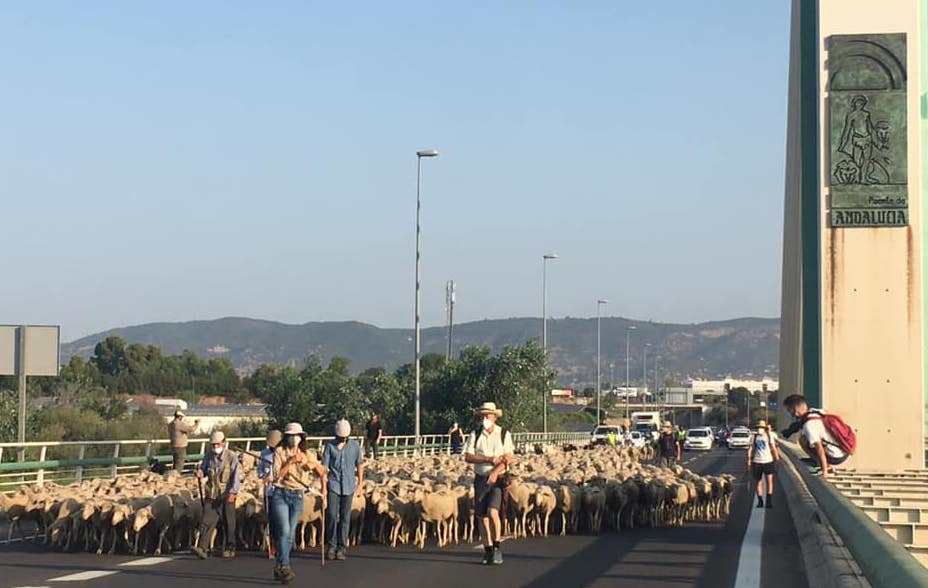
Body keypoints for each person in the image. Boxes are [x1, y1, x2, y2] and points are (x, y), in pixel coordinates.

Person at [270, 422, 326, 584]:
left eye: (297, 436)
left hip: (298, 495)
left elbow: (322, 472)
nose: (294, 439)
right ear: (286, 437)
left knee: (290, 533)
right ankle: (285, 565)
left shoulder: (307, 453)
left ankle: (279, 565)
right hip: (281, 493)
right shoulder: (280, 452)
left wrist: (312, 465)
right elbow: (276, 476)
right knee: (284, 531)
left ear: (301, 437)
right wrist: (291, 461)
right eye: (290, 436)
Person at [463, 402, 515, 566]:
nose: (485, 417)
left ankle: (497, 546)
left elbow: (508, 458)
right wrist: (488, 459)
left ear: (495, 416)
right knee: (481, 516)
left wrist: (494, 472)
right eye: (483, 415)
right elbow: (468, 456)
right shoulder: (475, 434)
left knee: (493, 512)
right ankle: (488, 549)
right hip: (480, 478)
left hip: (498, 479)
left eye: (488, 415)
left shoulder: (503, 434)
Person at [193, 430, 240, 560]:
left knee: (228, 521)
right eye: (213, 445)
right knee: (206, 520)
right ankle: (203, 547)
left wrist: (233, 492)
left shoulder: (231, 456)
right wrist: (200, 473)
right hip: (212, 493)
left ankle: (229, 547)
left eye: (217, 444)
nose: (215, 447)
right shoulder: (208, 455)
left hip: (226, 493)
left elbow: (236, 476)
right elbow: (203, 469)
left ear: (224, 443)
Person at [323, 419, 364, 561]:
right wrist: (323, 487)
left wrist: (360, 484)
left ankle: (342, 548)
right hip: (333, 484)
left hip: (349, 485)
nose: (342, 439)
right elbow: (324, 468)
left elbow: (359, 464)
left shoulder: (355, 446)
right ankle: (331, 545)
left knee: (345, 517)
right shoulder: (329, 446)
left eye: (344, 437)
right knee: (332, 515)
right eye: (340, 437)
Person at [782, 394, 849, 478]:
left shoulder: (809, 425)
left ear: (795, 409)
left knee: (803, 440)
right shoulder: (816, 412)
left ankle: (824, 467)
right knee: (808, 438)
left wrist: (824, 471)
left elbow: (819, 449)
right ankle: (824, 465)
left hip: (836, 456)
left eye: (789, 410)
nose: (789, 413)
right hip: (844, 450)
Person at [258, 429, 283, 558]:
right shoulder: (264, 454)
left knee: (281, 521)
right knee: (271, 520)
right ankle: (273, 546)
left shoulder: (284, 454)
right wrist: (263, 476)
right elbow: (260, 470)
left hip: (282, 490)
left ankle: (282, 546)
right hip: (270, 492)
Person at [747, 420, 780, 509]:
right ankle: (760, 501)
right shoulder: (754, 437)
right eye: (758, 428)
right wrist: (749, 460)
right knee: (758, 482)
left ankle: (769, 501)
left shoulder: (769, 436)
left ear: (764, 428)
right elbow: (751, 449)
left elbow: (773, 448)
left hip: (768, 461)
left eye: (761, 428)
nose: (759, 430)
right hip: (757, 462)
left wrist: (777, 458)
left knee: (769, 482)